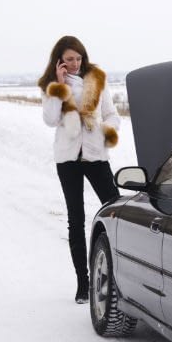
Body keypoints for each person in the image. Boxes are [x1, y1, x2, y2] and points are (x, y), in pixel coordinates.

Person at [38, 36, 120, 304]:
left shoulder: (97, 79)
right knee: (76, 218)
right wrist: (59, 88)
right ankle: (83, 283)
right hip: (68, 158)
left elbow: (112, 115)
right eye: (69, 59)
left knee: (115, 212)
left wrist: (103, 131)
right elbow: (50, 120)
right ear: (59, 61)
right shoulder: (51, 85)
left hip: (96, 154)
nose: (74, 63)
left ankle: (117, 278)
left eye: (78, 58)